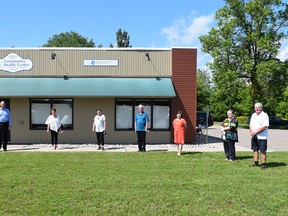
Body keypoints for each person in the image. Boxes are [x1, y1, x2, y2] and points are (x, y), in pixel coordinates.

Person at [249, 103, 269, 170]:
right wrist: (251, 132)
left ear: (261, 108)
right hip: (254, 136)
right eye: (256, 107)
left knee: (262, 150)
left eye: (258, 107)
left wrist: (255, 132)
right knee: (255, 149)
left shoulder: (264, 115)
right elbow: (250, 124)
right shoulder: (253, 115)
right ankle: (256, 162)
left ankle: (264, 164)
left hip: (262, 136)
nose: (257, 109)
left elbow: (264, 127)